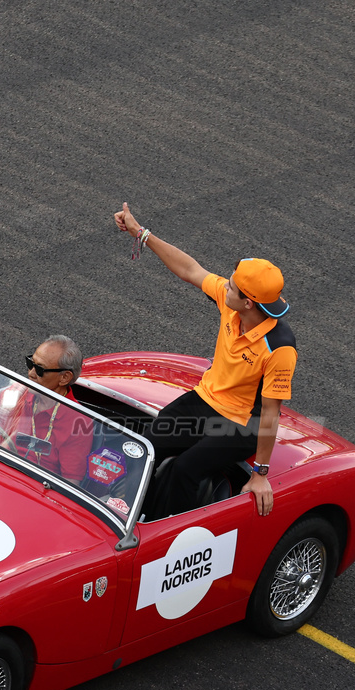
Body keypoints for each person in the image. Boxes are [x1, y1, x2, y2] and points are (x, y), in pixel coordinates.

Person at [113, 202, 296, 518]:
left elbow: (270, 413)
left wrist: (261, 473)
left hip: (242, 424)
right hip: (205, 400)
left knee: (184, 470)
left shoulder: (279, 347)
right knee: (142, 448)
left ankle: (164, 532)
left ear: (248, 303)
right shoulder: (231, 303)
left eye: (234, 287)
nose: (226, 286)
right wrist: (140, 233)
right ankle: (120, 511)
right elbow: (190, 269)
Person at [0, 335, 94, 482]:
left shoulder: (78, 421)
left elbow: (70, 481)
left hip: (33, 488)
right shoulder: (17, 392)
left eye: (40, 370)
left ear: (64, 378)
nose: (31, 373)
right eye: (30, 363)